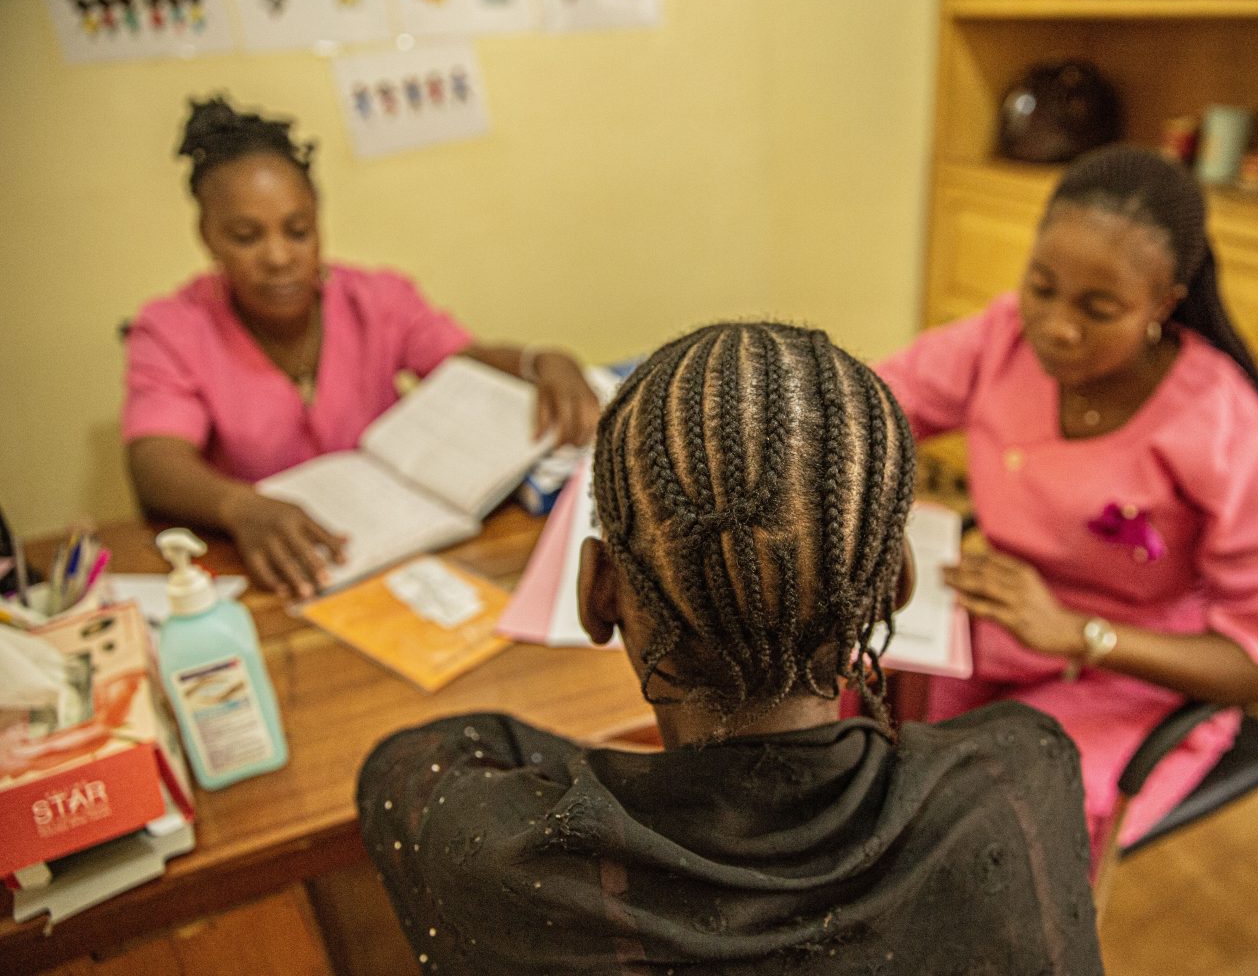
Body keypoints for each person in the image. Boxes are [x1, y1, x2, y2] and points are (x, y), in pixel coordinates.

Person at [358, 323, 1104, 975]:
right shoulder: (1018, 782)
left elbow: (415, 760)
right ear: (895, 587)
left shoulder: (498, 861)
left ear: (597, 594)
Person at [876, 146, 1258, 859]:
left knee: (988, 831)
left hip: (1140, 670)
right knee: (863, 728)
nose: (1055, 326)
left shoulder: (1221, 428)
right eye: (1041, 287)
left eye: (1099, 308)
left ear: (1164, 303)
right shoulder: (1002, 339)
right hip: (1005, 614)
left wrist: (1081, 634)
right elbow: (871, 407)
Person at [123, 96, 600, 599]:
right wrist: (239, 507)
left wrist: (544, 361)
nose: (279, 256)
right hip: (278, 573)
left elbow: (464, 359)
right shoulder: (173, 329)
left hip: (404, 560)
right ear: (207, 236)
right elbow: (155, 462)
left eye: (298, 230)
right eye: (246, 236)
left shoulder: (377, 299)